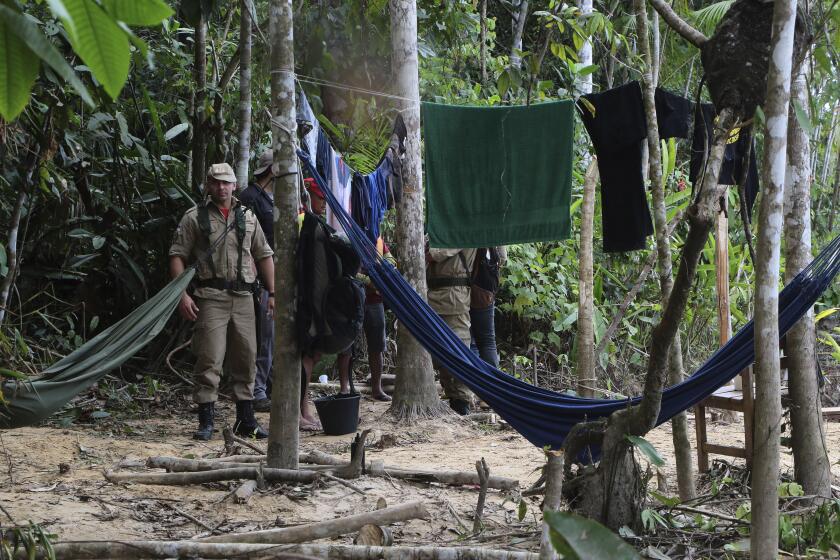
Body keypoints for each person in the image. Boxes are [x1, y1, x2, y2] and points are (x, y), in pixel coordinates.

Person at [169, 163, 274, 440]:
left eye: (226, 183)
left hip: (243, 296)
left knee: (246, 357)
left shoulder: (248, 217)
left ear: (234, 185)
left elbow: (263, 254)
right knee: (209, 357)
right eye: (216, 182)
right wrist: (182, 294)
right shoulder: (195, 217)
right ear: (208, 184)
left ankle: (246, 420)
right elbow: (177, 255)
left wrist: (273, 293)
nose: (221, 188)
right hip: (210, 296)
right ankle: (206, 421)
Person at [238, 150, 276, 413]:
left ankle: (266, 385)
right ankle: (257, 390)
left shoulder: (269, 198)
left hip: (271, 276)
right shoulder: (251, 199)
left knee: (270, 335)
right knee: (263, 335)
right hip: (257, 281)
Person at [426, 244, 477, 415]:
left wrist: (426, 252)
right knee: (439, 352)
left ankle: (461, 399)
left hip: (455, 296)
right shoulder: (441, 228)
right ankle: (452, 395)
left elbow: (436, 254)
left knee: (460, 349)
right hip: (433, 295)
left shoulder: (462, 227)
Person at [357, 236, 396, 401]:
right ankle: (345, 389)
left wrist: (383, 270)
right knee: (346, 347)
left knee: (377, 346)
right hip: (352, 298)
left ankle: (377, 389)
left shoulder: (377, 241)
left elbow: (391, 261)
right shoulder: (348, 235)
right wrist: (368, 280)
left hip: (375, 301)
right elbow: (346, 269)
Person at [469, 247, 506, 368]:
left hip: (465, 285)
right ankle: (493, 382)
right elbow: (502, 258)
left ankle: (473, 381)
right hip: (486, 289)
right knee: (488, 341)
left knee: (471, 341)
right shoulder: (492, 228)